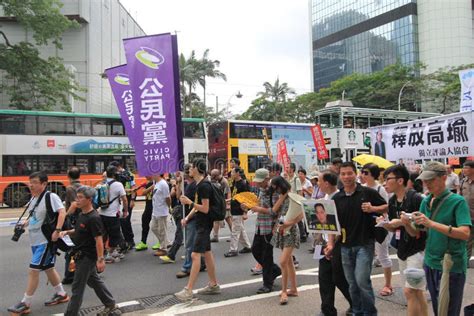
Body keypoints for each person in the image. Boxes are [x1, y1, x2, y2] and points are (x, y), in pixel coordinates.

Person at [407, 161, 471, 316]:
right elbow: (417, 232)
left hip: (450, 264)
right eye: (425, 180)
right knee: (438, 308)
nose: (427, 184)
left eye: (431, 179)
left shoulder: (457, 201)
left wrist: (431, 223)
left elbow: (465, 233)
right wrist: (406, 224)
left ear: (444, 177)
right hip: (430, 262)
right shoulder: (426, 200)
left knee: (448, 310)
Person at [8, 171, 69, 315]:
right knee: (48, 267)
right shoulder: (34, 198)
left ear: (44, 184)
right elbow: (34, 216)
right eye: (30, 182)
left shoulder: (51, 196)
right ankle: (61, 294)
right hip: (35, 240)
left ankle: (25, 303)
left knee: (33, 270)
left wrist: (57, 230)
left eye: (35, 182)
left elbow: (62, 212)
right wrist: (24, 224)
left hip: (45, 240)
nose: (31, 185)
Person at [330, 162, 387, 315]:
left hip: (364, 243)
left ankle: (369, 312)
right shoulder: (337, 197)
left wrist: (373, 208)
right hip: (344, 245)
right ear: (339, 176)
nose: (347, 177)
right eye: (343, 174)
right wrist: (330, 244)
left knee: (362, 281)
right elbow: (332, 224)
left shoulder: (367, 193)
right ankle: (357, 310)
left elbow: (386, 207)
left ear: (356, 174)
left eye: (350, 173)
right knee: (352, 283)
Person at [61, 186, 121, 316]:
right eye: (77, 197)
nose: (77, 200)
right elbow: (78, 231)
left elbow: (98, 240)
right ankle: (110, 304)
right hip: (80, 254)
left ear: (89, 199)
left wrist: (100, 259)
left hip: (87, 257)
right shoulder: (82, 214)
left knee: (77, 289)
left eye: (81, 197)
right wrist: (67, 232)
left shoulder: (93, 218)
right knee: (93, 281)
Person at [381, 165, 428, 316]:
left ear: (400, 180)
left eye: (388, 179)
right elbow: (395, 230)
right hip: (402, 250)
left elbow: (417, 233)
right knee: (418, 292)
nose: (385, 183)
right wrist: (386, 224)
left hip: (418, 251)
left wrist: (403, 222)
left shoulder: (416, 199)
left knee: (409, 291)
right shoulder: (393, 201)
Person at [175, 158, 221, 301]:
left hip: (203, 225)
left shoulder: (203, 186)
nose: (189, 169)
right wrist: (187, 217)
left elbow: (205, 209)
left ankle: (188, 290)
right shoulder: (199, 184)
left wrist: (189, 202)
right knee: (206, 254)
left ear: (197, 169)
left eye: (192, 167)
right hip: (201, 223)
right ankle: (213, 285)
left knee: (195, 255)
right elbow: (198, 206)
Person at [317, 170, 352, 316]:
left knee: (339, 278)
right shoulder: (324, 198)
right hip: (324, 243)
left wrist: (332, 243)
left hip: (338, 244)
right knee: (323, 278)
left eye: (319, 181)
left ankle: (356, 303)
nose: (317, 184)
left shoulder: (340, 199)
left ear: (326, 183)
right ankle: (327, 310)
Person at [242, 168, 281, 294]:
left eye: (260, 181)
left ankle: (267, 284)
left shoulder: (274, 192)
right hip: (260, 225)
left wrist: (257, 208)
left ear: (267, 179)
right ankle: (274, 270)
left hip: (269, 226)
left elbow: (274, 211)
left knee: (266, 255)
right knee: (255, 250)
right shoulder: (261, 190)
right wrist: (248, 207)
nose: (257, 183)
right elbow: (259, 204)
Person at [361, 163, 393, 297]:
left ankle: (388, 285)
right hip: (364, 226)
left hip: (380, 227)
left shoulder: (380, 189)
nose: (362, 175)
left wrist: (372, 208)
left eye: (366, 173)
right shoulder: (360, 188)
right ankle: (365, 286)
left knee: (383, 255)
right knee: (364, 256)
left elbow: (387, 207)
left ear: (373, 175)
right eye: (362, 172)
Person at [269, 176, 302, 305]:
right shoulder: (283, 197)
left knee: (283, 261)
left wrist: (290, 222)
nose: (275, 190)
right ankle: (293, 289)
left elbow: (303, 212)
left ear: (280, 186)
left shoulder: (293, 196)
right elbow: (275, 210)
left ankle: (284, 291)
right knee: (288, 262)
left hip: (291, 231)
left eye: (276, 188)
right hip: (283, 229)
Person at [98, 166, 128, 264]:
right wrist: (125, 211)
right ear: (115, 174)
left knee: (103, 234)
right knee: (114, 235)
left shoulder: (102, 183)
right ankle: (109, 255)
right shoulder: (118, 184)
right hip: (112, 214)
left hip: (102, 213)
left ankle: (102, 253)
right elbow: (124, 199)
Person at [225, 167, 252, 257]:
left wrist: (245, 212)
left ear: (238, 173)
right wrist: (228, 200)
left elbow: (246, 199)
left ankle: (233, 250)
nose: (231, 174)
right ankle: (248, 246)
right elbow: (235, 196)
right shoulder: (234, 182)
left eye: (232, 172)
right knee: (240, 229)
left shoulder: (243, 184)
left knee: (235, 231)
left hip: (239, 210)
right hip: (234, 209)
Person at [109, 161, 136, 250]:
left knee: (126, 221)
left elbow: (133, 188)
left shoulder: (129, 174)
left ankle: (130, 241)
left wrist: (132, 199)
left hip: (127, 200)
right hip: (117, 202)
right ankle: (123, 242)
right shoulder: (115, 176)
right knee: (119, 222)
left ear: (119, 166)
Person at [62, 166, 82, 285]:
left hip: (74, 221)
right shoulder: (84, 187)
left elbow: (74, 204)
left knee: (71, 249)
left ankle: (69, 275)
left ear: (68, 176)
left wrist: (65, 215)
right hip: (83, 219)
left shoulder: (70, 188)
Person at [160, 172, 184, 263]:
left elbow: (176, 195)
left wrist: (176, 184)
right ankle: (198, 258)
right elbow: (175, 195)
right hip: (179, 212)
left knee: (179, 234)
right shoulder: (177, 184)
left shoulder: (186, 184)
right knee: (186, 235)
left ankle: (171, 255)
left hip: (184, 213)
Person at [151, 174, 170, 257]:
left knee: (162, 230)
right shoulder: (156, 183)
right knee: (153, 227)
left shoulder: (163, 184)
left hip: (162, 211)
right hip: (155, 211)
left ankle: (164, 248)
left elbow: (168, 197)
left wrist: (169, 207)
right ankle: (165, 242)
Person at [210, 169, 232, 242]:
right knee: (216, 219)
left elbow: (228, 192)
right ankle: (215, 236)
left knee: (228, 219)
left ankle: (234, 235)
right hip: (219, 203)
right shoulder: (217, 181)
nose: (212, 178)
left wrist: (228, 204)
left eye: (213, 176)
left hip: (224, 203)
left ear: (217, 175)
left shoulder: (224, 181)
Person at [135, 176, 156, 251]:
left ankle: (161, 242)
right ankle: (143, 242)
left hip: (156, 207)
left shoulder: (158, 183)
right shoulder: (148, 184)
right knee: (144, 222)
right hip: (148, 206)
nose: (146, 176)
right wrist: (150, 187)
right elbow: (143, 193)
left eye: (147, 174)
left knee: (157, 226)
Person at [460, 160, 474, 264]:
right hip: (467, 216)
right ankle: (465, 262)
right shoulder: (463, 182)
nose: (464, 170)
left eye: (466, 168)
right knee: (467, 240)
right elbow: (460, 197)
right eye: (463, 168)